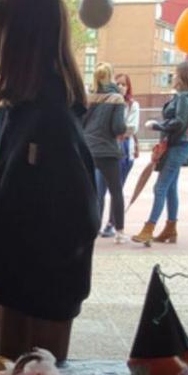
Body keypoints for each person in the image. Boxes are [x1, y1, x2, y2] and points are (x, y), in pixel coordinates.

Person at [0, 0, 98, 362]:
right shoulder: (12, 112)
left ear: (20, 40)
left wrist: (17, 279)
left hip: (47, 296)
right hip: (16, 285)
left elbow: (80, 220)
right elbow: (4, 200)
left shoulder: (53, 121)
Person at [132, 61, 188, 245]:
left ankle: (149, 228)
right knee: (170, 188)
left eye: (176, 74)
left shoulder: (185, 97)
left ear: (183, 76)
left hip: (177, 146)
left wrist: (157, 125)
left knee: (160, 187)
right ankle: (170, 228)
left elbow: (179, 122)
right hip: (176, 145)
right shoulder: (184, 96)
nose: (174, 77)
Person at [83, 62, 127, 243]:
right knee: (116, 191)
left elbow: (81, 122)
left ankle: (87, 228)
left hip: (88, 149)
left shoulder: (88, 97)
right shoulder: (116, 98)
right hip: (108, 151)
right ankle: (119, 232)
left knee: (88, 191)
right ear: (111, 76)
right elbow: (117, 128)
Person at [114, 72, 140, 203]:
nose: (120, 87)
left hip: (125, 149)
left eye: (123, 84)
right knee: (100, 189)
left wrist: (116, 132)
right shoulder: (107, 103)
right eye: (117, 83)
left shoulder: (132, 105)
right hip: (107, 149)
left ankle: (112, 221)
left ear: (128, 87)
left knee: (118, 188)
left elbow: (131, 127)